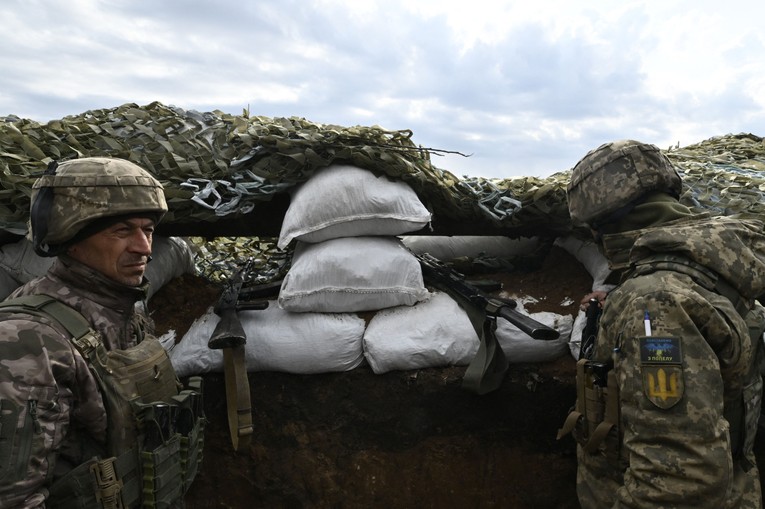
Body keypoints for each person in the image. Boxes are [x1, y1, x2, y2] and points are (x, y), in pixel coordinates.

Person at [559, 140, 765, 508]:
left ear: (596, 224)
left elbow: (678, 482)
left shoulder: (654, 302)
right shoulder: (710, 268)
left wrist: (641, 312)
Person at [0, 157, 202, 508]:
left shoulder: (123, 311)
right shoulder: (30, 342)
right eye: (122, 231)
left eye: (148, 230)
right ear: (71, 237)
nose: (144, 247)